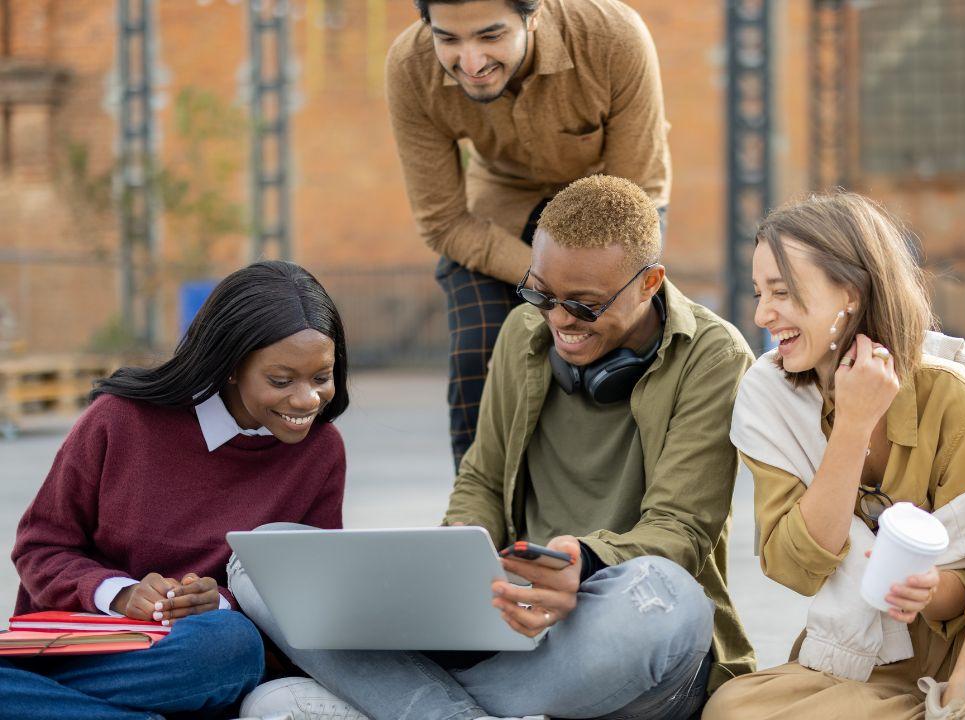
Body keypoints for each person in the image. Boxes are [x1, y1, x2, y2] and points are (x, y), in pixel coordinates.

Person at [234, 176, 754, 720]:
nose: (558, 320)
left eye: (585, 305)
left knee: (668, 599)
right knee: (259, 565)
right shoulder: (522, 333)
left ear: (650, 283)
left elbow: (681, 529)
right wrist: (458, 548)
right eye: (541, 293)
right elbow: (481, 480)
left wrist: (586, 562)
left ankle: (417, 704)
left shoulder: (713, 356)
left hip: (612, 626)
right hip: (510, 623)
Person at [702, 192, 965, 720]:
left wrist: (930, 590)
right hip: (865, 666)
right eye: (761, 292)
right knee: (733, 711)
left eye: (782, 292)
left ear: (849, 293)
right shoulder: (768, 397)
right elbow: (793, 568)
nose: (763, 314)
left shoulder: (951, 393)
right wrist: (851, 427)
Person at [1, 261, 350, 720]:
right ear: (229, 366)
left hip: (201, 661)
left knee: (230, 644)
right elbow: (41, 547)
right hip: (89, 650)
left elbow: (307, 597)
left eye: (320, 378)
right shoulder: (120, 419)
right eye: (281, 381)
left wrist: (220, 603)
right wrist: (119, 594)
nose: (306, 400)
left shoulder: (321, 453)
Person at [387, 0, 672, 468]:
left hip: (610, 201)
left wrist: (579, 294)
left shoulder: (614, 37)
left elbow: (634, 198)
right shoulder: (409, 67)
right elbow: (443, 221)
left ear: (532, 16)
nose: (471, 62)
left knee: (619, 341)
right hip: (501, 201)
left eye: (490, 36)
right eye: (448, 40)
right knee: (478, 346)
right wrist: (546, 284)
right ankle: (478, 520)